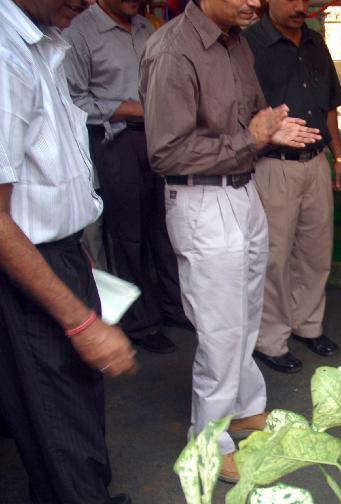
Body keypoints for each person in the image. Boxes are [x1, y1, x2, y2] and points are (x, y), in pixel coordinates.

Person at [139, 0, 321, 482]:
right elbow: (166, 152)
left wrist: (272, 129)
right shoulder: (173, 50)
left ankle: (243, 409)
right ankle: (207, 443)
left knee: (244, 316)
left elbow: (250, 119)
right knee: (219, 330)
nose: (255, 2)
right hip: (201, 200)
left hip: (242, 191)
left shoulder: (236, 44)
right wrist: (254, 140)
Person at [0, 0, 138, 501]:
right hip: (26, 266)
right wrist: (81, 324)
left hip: (58, 252)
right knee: (59, 422)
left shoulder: (43, 42)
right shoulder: (5, 54)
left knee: (76, 403)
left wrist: (77, 248)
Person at [63, 0, 187, 354]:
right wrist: (128, 108)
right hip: (116, 141)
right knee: (128, 236)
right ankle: (140, 322)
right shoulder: (80, 32)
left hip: (157, 138)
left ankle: (173, 306)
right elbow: (73, 101)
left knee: (164, 229)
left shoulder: (146, 27)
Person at [243, 0, 341, 374]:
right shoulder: (249, 44)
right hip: (273, 165)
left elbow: (330, 104)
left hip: (316, 162)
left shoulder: (316, 42)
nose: (300, 6)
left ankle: (308, 325)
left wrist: (338, 157)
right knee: (274, 256)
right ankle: (270, 340)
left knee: (316, 251)